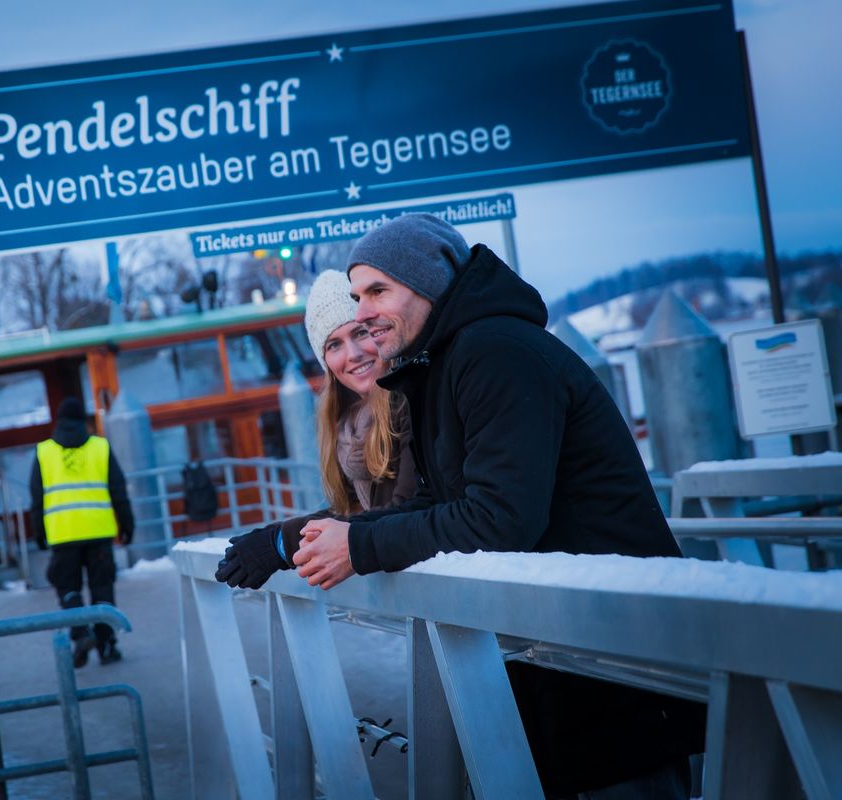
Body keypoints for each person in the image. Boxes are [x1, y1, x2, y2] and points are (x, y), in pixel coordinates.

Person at [292, 213, 705, 799]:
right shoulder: (447, 363)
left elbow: (499, 518)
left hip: (612, 656)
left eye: (377, 290)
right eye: (357, 295)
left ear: (430, 281)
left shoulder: (496, 352)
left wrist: (357, 546)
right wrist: (294, 538)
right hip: (556, 648)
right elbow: (436, 501)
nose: (360, 312)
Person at [214, 269, 416, 589]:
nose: (352, 354)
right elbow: (354, 512)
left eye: (360, 333)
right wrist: (277, 537)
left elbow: (401, 513)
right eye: (334, 345)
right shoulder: (347, 425)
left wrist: (283, 543)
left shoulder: (411, 401)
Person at [30, 396, 134, 667]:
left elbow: (37, 498)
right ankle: (107, 646)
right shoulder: (100, 447)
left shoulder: (44, 452)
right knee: (102, 588)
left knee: (67, 586)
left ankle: (79, 633)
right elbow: (118, 490)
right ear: (82, 421)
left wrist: (38, 532)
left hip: (63, 534)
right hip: (99, 531)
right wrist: (127, 524)